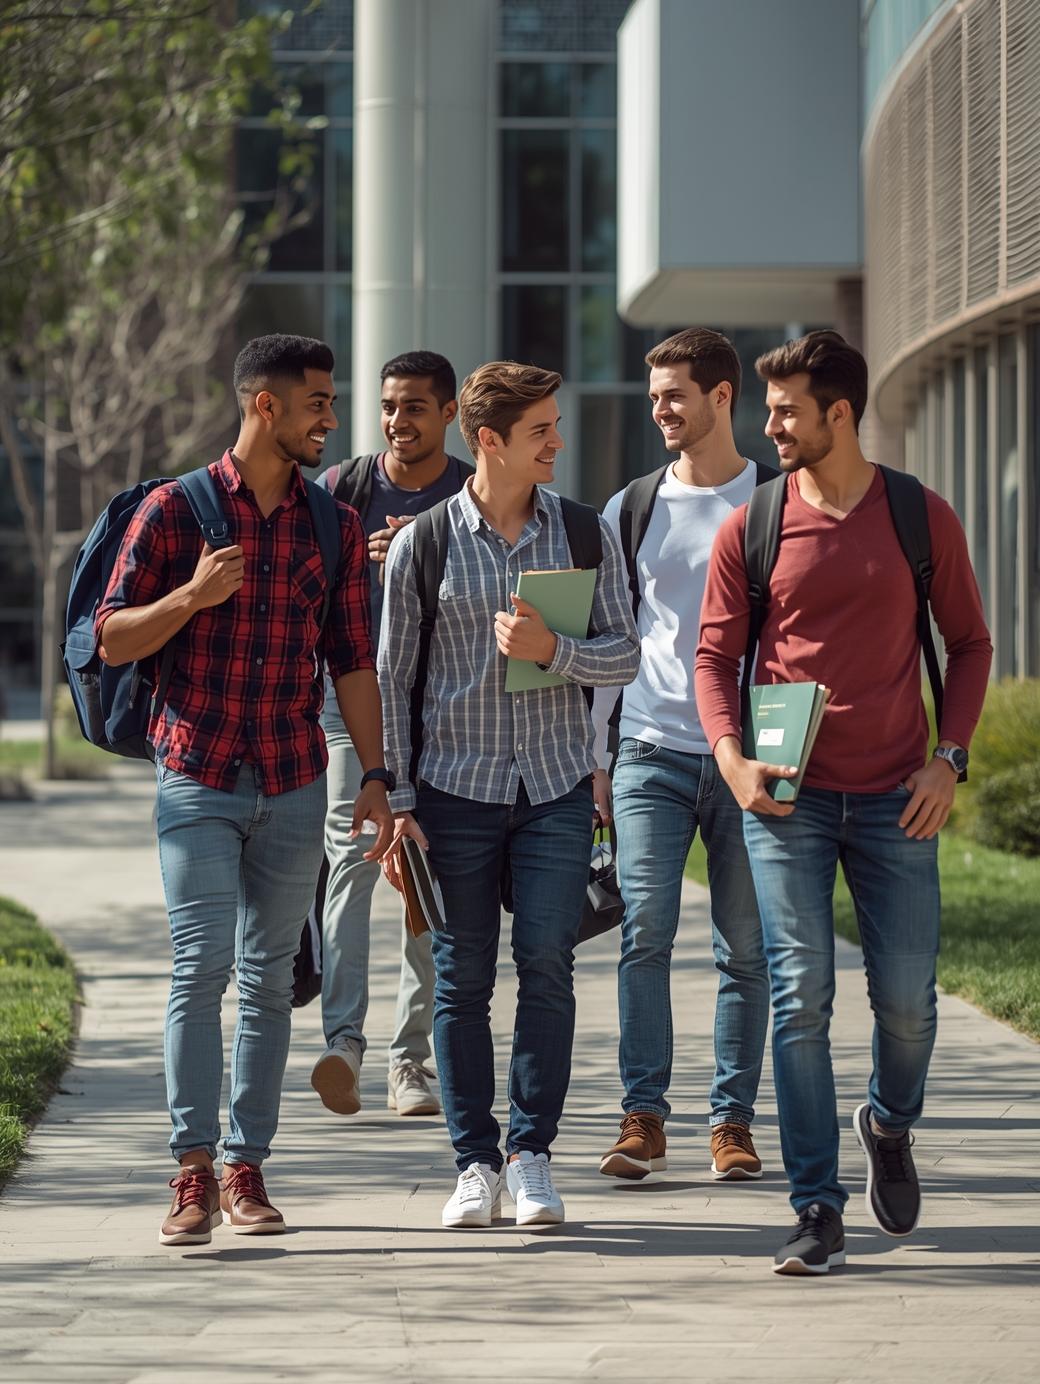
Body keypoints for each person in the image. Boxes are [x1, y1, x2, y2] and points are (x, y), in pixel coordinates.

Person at [695, 330, 992, 1275]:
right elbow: (712, 657)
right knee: (801, 997)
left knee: (907, 1003)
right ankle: (815, 1205)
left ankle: (889, 1123)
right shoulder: (756, 523)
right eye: (768, 409)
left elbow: (971, 646)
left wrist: (950, 758)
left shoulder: (918, 515)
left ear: (840, 413)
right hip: (787, 798)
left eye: (786, 411)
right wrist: (733, 759)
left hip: (900, 793)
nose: (769, 425)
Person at [95, 334, 394, 1245]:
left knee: (268, 982)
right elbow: (110, 638)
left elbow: (349, 661)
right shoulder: (173, 511)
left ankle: (245, 1165)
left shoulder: (330, 524)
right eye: (317, 403)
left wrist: (376, 777)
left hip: (297, 779)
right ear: (265, 405)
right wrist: (188, 598)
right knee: (202, 968)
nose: (331, 420)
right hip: (197, 774)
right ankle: (189, 1172)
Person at [378, 361, 640, 1229]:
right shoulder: (425, 544)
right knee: (461, 981)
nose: (558, 442)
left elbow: (627, 652)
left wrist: (550, 650)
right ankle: (473, 1163)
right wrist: (399, 800)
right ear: (488, 440)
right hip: (453, 792)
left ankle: (532, 1156)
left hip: (556, 787)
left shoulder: (583, 531)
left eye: (558, 426)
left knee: (548, 969)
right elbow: (391, 681)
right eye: (542, 431)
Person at [590, 328, 771, 1184]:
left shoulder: (776, 498)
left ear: (722, 396)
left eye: (674, 394)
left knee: (745, 948)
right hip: (651, 749)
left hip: (747, 759)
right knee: (644, 934)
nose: (659, 407)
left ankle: (731, 1123)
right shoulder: (631, 508)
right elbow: (611, 639)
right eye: (654, 393)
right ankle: (643, 1116)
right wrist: (599, 756)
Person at [310, 350, 473, 1121]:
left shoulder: (472, 493)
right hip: (350, 709)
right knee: (351, 863)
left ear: (447, 414)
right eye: (388, 406)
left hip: (439, 712)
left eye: (414, 407)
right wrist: (363, 561)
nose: (397, 421)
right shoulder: (344, 490)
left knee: (420, 878)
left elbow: (501, 603)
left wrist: (426, 555)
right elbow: (304, 588)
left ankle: (412, 1060)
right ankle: (343, 1042)